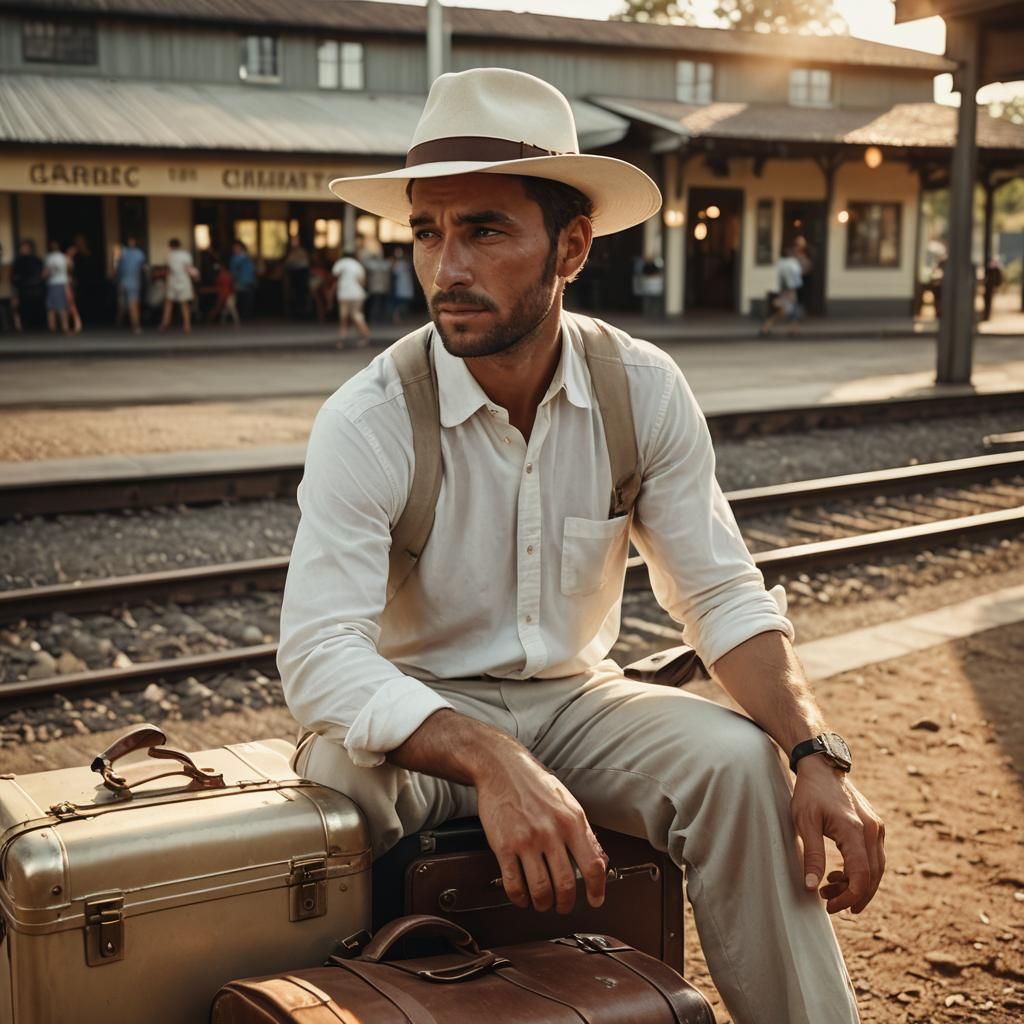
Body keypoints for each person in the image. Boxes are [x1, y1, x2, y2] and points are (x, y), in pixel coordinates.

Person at [279, 68, 882, 1024]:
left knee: (739, 769)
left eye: (482, 229)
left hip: (576, 698)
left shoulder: (639, 389)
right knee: (332, 797)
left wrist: (815, 752)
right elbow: (318, 656)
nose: (446, 269)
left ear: (571, 245)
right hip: (418, 713)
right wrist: (488, 757)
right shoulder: (373, 415)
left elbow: (720, 592)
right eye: (427, 232)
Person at [760, 243, 804, 335]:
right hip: (789, 290)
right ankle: (767, 328)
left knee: (785, 311)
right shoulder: (792, 263)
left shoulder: (779, 263)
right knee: (786, 311)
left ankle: (791, 329)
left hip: (781, 289)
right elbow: (797, 276)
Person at [331, 248, 371, 346]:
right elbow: (362, 280)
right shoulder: (358, 265)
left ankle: (343, 337)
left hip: (344, 294)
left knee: (344, 317)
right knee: (357, 315)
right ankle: (365, 334)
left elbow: (334, 274)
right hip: (358, 293)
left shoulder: (341, 262)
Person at [159, 238, 198, 333]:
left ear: (170, 246)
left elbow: (167, 269)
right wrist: (195, 276)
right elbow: (188, 268)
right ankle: (187, 326)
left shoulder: (169, 256)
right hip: (184, 280)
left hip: (172, 280)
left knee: (169, 303)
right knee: (184, 304)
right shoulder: (185, 255)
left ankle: (165, 322)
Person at [115, 236, 147, 335]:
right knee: (132, 305)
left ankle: (119, 323)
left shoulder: (122, 252)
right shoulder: (138, 253)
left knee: (123, 304)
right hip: (132, 282)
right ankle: (135, 326)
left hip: (124, 282)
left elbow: (117, 268)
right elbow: (142, 267)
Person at [11, 239, 44, 331]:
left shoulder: (36, 260)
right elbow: (14, 276)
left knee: (36, 306)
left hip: (35, 287)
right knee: (24, 308)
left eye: (25, 247)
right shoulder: (18, 261)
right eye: (22, 248)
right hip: (23, 288)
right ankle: (26, 325)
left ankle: (38, 325)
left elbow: (41, 273)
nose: (24, 249)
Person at [42, 240, 70, 335]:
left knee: (54, 306)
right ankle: (61, 326)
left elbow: (48, 271)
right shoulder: (63, 257)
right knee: (59, 306)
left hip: (55, 283)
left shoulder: (51, 258)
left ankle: (56, 327)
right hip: (60, 282)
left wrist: (44, 275)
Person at [230, 240, 257, 321]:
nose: (236, 249)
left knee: (249, 300)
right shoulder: (234, 259)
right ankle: (241, 316)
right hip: (239, 282)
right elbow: (232, 271)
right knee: (240, 299)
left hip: (249, 281)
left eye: (237, 247)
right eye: (234, 248)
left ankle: (248, 316)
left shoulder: (247, 257)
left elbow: (253, 269)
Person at [363, 250, 393, 324]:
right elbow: (391, 264)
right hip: (384, 287)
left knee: (375, 304)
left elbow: (364, 262)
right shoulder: (385, 264)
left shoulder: (372, 265)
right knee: (383, 304)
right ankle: (384, 319)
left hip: (375, 288)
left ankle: (374, 319)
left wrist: (368, 256)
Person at [208, 259, 240, 327]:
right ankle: (223, 320)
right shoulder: (227, 275)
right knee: (227, 308)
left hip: (226, 293)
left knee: (229, 308)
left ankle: (234, 320)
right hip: (226, 293)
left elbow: (221, 284)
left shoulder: (224, 275)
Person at [285, 236, 311, 319]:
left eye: (295, 241)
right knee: (294, 295)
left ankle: (302, 314)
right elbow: (288, 263)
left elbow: (305, 264)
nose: (294, 243)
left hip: (301, 278)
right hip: (293, 278)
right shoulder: (291, 253)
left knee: (301, 296)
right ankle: (295, 313)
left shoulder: (302, 252)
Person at [389, 247, 415, 322]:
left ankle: (398, 316)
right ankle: (396, 316)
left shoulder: (404, 263)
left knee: (403, 301)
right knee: (399, 301)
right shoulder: (397, 264)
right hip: (399, 285)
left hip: (403, 284)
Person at [64, 244, 83, 335]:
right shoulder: (65, 259)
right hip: (67, 283)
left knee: (71, 305)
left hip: (68, 284)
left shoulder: (70, 260)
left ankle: (77, 325)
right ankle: (69, 326)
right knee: (68, 306)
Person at [0, 242, 17, 333]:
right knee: (6, 309)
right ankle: (7, 327)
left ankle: (7, 327)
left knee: (6, 309)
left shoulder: (6, 264)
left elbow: (11, 278)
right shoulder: (7, 264)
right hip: (6, 289)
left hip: (5, 289)